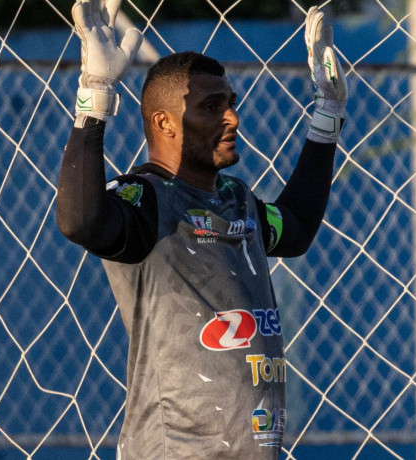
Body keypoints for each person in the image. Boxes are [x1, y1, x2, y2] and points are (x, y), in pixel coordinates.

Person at [56, 0, 347, 458]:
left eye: (230, 104)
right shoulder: (147, 199)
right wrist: (95, 94)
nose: (232, 117)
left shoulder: (237, 200)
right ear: (164, 122)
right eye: (213, 106)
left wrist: (327, 115)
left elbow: (296, 229)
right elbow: (81, 220)